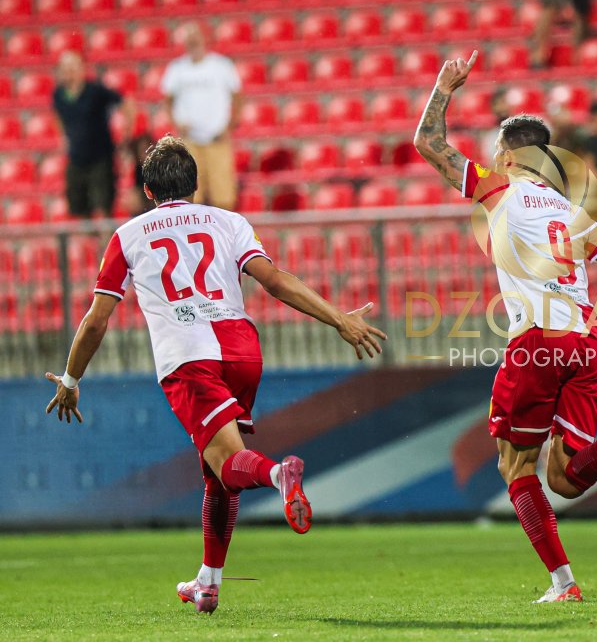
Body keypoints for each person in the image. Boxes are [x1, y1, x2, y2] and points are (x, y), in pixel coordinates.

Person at [44, 136, 386, 614]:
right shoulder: (230, 221)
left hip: (188, 354)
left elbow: (97, 319)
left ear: (146, 190)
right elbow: (275, 280)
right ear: (197, 184)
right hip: (242, 347)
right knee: (217, 473)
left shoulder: (128, 236)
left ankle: (278, 474)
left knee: (231, 463)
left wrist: (71, 379)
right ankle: (208, 582)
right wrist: (340, 319)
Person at [414, 52, 597, 603]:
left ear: (506, 154)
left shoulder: (497, 190)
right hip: (589, 344)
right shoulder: (572, 214)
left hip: (537, 343)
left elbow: (429, 144)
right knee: (565, 479)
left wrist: (444, 87)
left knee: (514, 463)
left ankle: (563, 584)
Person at [162, 23, 242, 210]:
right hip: (190, 141)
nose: (193, 43)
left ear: (204, 38)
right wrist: (177, 124)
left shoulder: (221, 65)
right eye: (189, 40)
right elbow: (167, 100)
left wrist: (230, 126)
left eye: (195, 38)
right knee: (191, 195)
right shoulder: (177, 68)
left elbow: (238, 96)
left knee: (223, 195)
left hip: (217, 138)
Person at [51, 50, 135, 218]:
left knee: (103, 203)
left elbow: (126, 104)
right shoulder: (59, 94)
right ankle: (90, 242)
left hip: (100, 157)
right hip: (76, 158)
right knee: (77, 206)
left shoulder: (95, 91)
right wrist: (63, 137)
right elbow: (58, 116)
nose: (69, 72)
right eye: (65, 68)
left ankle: (104, 241)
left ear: (81, 69)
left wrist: (127, 136)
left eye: (72, 67)